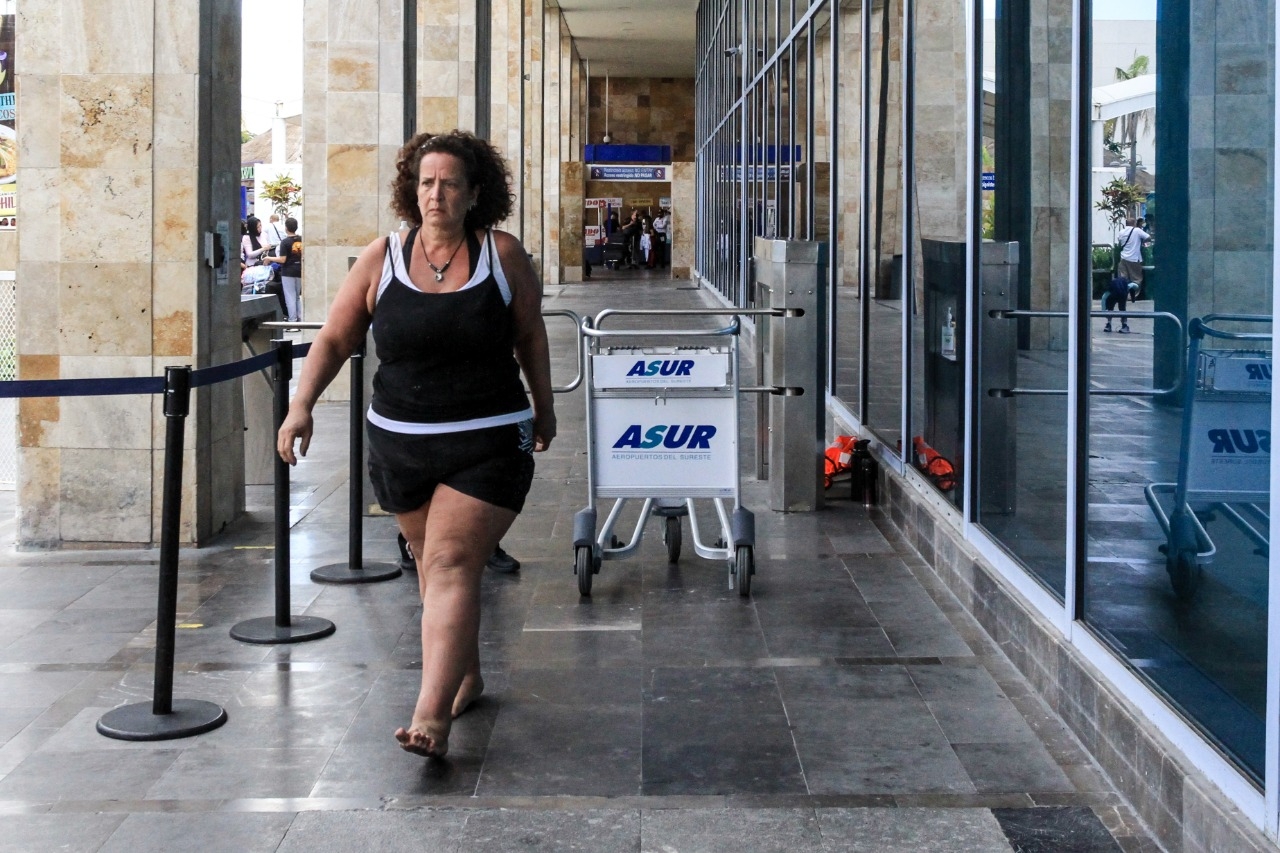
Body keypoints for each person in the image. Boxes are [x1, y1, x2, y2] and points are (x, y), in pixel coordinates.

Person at [277, 130, 555, 759]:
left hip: (487, 441)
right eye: (427, 182)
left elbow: (530, 337)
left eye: (450, 182)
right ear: (412, 189)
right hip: (400, 446)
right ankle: (466, 674)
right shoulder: (382, 257)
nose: (437, 193)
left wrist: (545, 406)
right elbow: (334, 338)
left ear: (474, 192)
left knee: (453, 563)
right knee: (435, 573)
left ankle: (431, 715)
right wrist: (301, 406)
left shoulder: (501, 254)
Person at [263, 217, 303, 323]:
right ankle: (300, 319)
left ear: (286, 228)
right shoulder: (301, 239)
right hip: (299, 270)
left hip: (288, 272)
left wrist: (269, 258)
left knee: (289, 296)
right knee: (297, 296)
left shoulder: (285, 242)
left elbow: (282, 259)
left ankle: (292, 320)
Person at [1115, 217, 1149, 295]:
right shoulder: (1137, 230)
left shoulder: (1121, 232)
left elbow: (1120, 243)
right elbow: (1148, 237)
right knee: (1136, 279)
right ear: (1134, 223)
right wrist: (1142, 241)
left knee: (1123, 279)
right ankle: (1133, 295)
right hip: (1134, 258)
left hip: (1123, 258)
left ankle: (1124, 295)